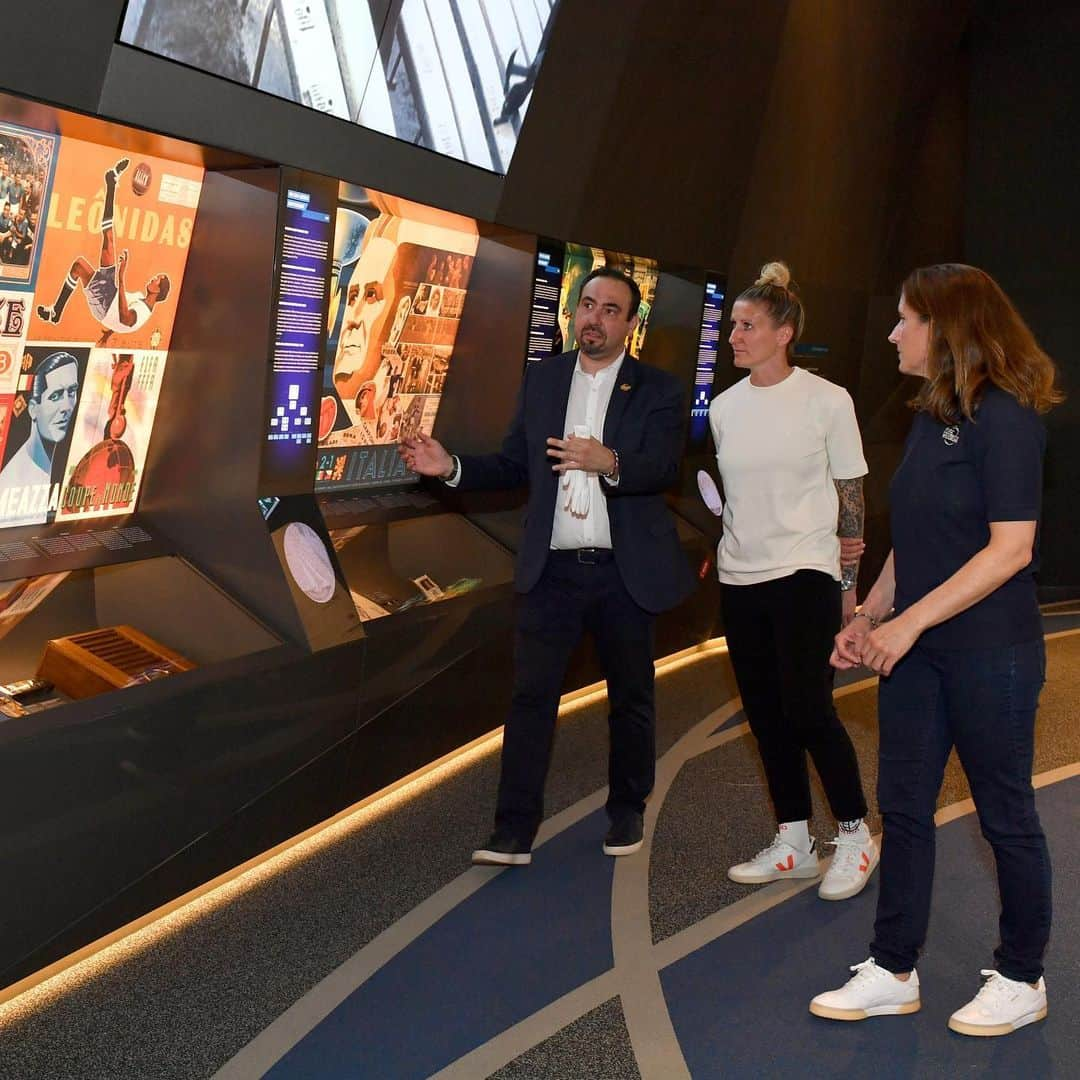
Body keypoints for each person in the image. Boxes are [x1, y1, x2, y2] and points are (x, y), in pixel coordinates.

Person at [810, 263, 1062, 1036]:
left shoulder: (1011, 418)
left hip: (993, 656)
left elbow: (1009, 550)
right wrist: (873, 612)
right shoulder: (930, 413)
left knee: (1005, 816)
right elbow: (916, 539)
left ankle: (1023, 977)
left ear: (946, 328)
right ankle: (893, 968)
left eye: (904, 319)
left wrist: (910, 623)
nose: (892, 333)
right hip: (917, 658)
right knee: (905, 810)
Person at [400, 267, 694, 864]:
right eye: (587, 305)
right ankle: (513, 830)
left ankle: (627, 809)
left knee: (631, 698)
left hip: (623, 572)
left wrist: (607, 460)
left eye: (611, 309)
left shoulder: (658, 390)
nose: (595, 317)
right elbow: (514, 465)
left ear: (630, 324)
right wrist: (450, 467)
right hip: (552, 571)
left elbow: (664, 467)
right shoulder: (544, 379)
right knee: (530, 699)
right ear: (573, 313)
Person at [709, 262, 876, 901]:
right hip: (739, 576)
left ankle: (856, 835)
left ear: (785, 332)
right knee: (766, 716)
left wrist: (850, 593)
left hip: (806, 572)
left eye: (747, 326)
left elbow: (850, 496)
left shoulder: (827, 400)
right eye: (732, 327)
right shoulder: (724, 408)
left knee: (808, 709)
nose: (734, 337)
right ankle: (795, 841)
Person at [35, 159, 170, 344]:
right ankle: (111, 182)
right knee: (101, 245)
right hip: (110, 296)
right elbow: (121, 324)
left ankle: (56, 311)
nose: (152, 279)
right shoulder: (140, 297)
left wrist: (121, 277)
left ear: (158, 290)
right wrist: (108, 333)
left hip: (106, 304)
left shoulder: (144, 312)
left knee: (91, 255)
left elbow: (124, 318)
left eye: (157, 280)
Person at [0, 350, 80, 525]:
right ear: (33, 408)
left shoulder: (42, 468)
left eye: (72, 392)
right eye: (56, 396)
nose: (67, 406)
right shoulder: (12, 482)